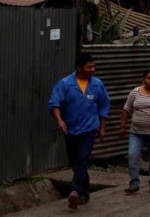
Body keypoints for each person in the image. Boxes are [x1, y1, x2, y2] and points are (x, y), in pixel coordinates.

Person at [48, 53, 111, 210]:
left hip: (89, 129)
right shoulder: (64, 84)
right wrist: (60, 121)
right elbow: (54, 104)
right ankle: (85, 192)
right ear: (79, 68)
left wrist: (102, 128)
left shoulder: (97, 85)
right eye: (89, 67)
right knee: (76, 162)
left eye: (93, 66)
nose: (92, 70)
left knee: (82, 159)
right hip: (71, 130)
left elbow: (104, 107)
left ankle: (75, 190)